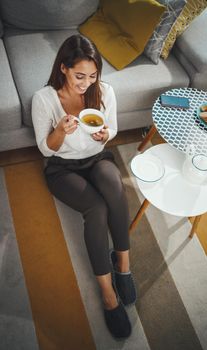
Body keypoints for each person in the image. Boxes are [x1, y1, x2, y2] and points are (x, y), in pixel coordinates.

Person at [32, 34, 136, 339]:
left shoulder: (104, 91)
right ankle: (107, 294)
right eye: (79, 76)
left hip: (96, 157)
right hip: (62, 168)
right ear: (63, 68)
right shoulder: (44, 99)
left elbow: (112, 127)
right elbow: (45, 150)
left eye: (92, 76)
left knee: (114, 188)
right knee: (97, 207)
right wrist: (60, 131)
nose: (86, 83)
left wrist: (104, 136)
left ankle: (123, 267)